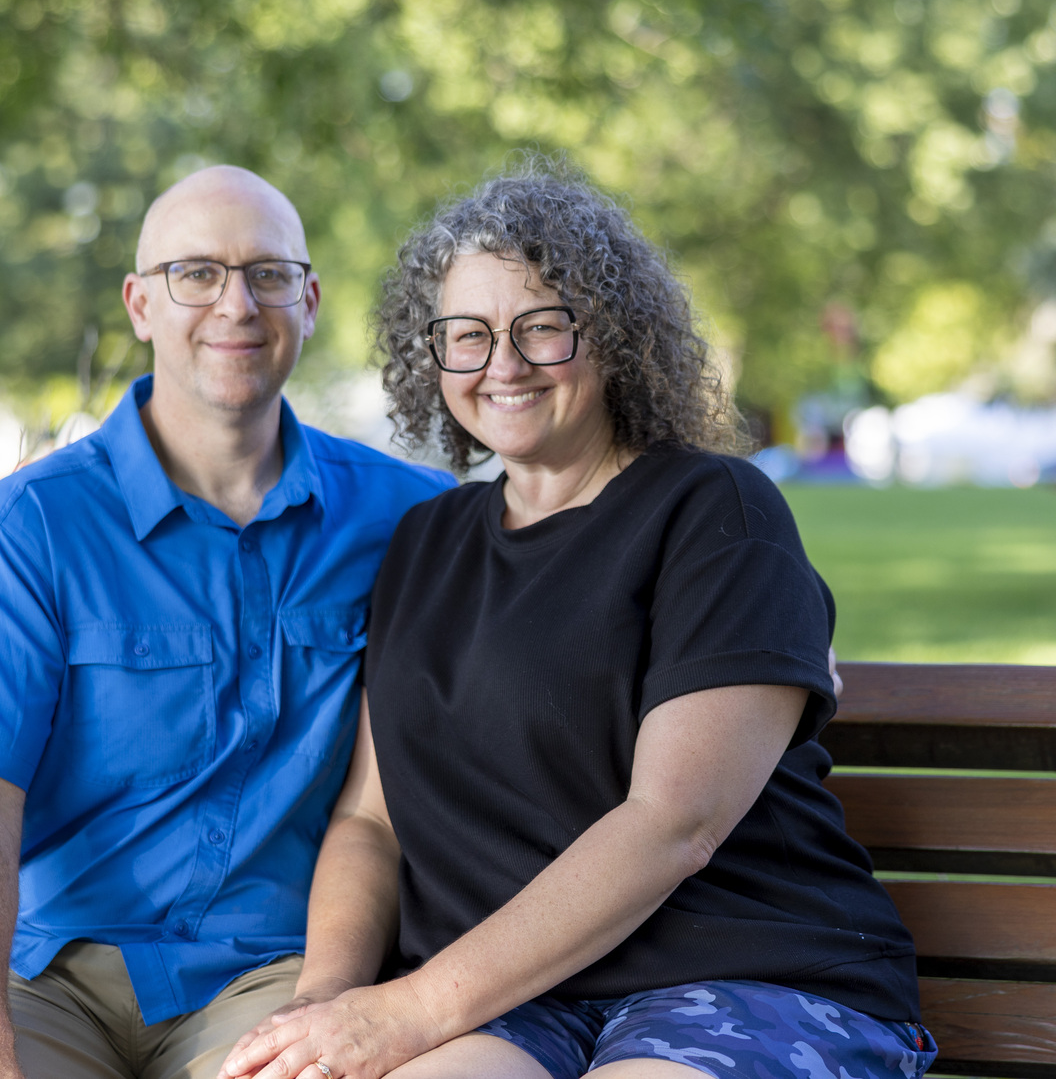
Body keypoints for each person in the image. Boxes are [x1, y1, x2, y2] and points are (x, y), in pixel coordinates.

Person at [218, 167, 935, 1079]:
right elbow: (370, 819)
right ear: (428, 354)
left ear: (615, 336)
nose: (502, 366)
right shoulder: (425, 543)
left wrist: (406, 1011)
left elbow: (673, 823)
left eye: (541, 327)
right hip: (514, 1001)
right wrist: (327, 998)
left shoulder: (715, 511)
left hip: (749, 977)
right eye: (467, 336)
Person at [0, 165, 454, 1079]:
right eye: (195, 274)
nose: (235, 304)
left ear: (307, 300)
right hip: (43, 974)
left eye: (267, 274)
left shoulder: (410, 520)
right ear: (139, 303)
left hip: (274, 976)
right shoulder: (35, 526)